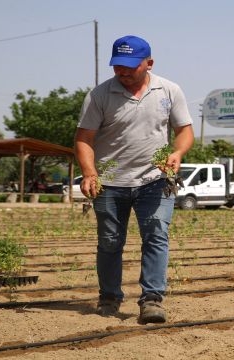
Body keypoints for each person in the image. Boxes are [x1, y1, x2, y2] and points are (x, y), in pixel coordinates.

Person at [74, 35, 194, 323]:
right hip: (110, 180)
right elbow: (83, 138)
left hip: (156, 179)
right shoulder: (99, 95)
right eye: (117, 66)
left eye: (130, 67)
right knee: (110, 241)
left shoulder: (169, 90)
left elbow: (185, 130)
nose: (123, 72)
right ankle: (109, 297)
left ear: (148, 63)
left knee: (156, 235)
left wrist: (177, 153)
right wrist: (90, 172)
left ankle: (152, 300)